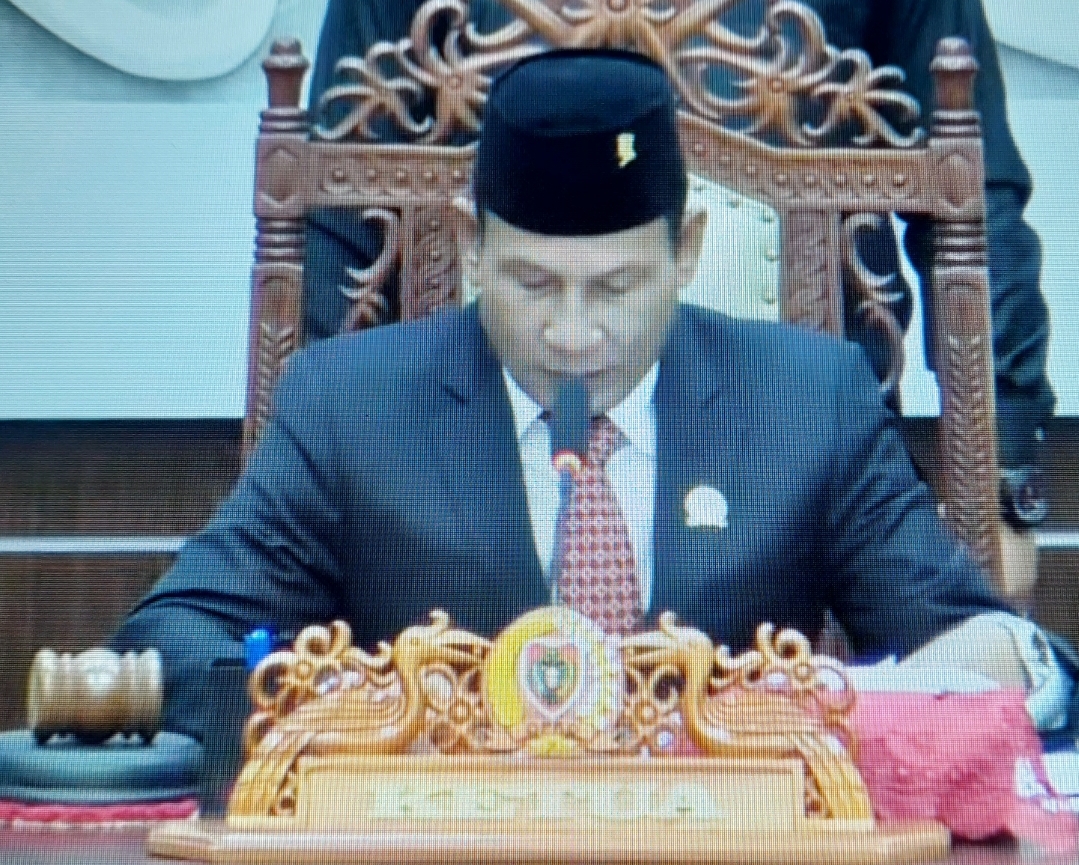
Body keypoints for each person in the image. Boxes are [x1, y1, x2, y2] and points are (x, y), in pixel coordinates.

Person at [114, 49, 1072, 742]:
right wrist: (367, 711)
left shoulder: (805, 401)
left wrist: (837, 705)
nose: (573, 333)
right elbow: (169, 641)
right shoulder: (351, 407)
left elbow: (988, 647)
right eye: (532, 284)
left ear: (685, 251)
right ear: (472, 245)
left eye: (616, 287)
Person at [303, 0, 1055, 598]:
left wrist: (999, 489)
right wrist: (313, 479)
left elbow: (970, 205)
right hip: (473, 478)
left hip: (805, 479)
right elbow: (336, 214)